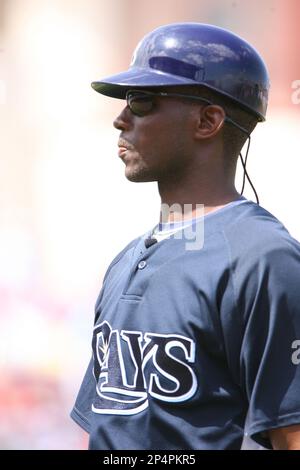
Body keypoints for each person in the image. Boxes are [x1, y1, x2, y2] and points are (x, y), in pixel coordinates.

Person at [71, 22, 300, 450]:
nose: (120, 119)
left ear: (208, 120)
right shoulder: (125, 259)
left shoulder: (264, 258)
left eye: (141, 101)